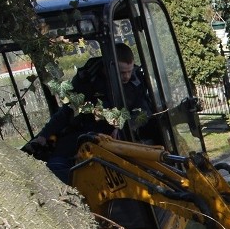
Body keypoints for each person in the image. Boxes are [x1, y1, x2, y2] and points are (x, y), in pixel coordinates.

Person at [25, 42, 151, 183]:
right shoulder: (86, 79)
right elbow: (67, 111)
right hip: (84, 135)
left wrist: (125, 126)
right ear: (108, 67)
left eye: (130, 70)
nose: (127, 76)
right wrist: (44, 135)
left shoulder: (136, 82)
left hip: (120, 138)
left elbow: (144, 114)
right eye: (122, 73)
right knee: (55, 165)